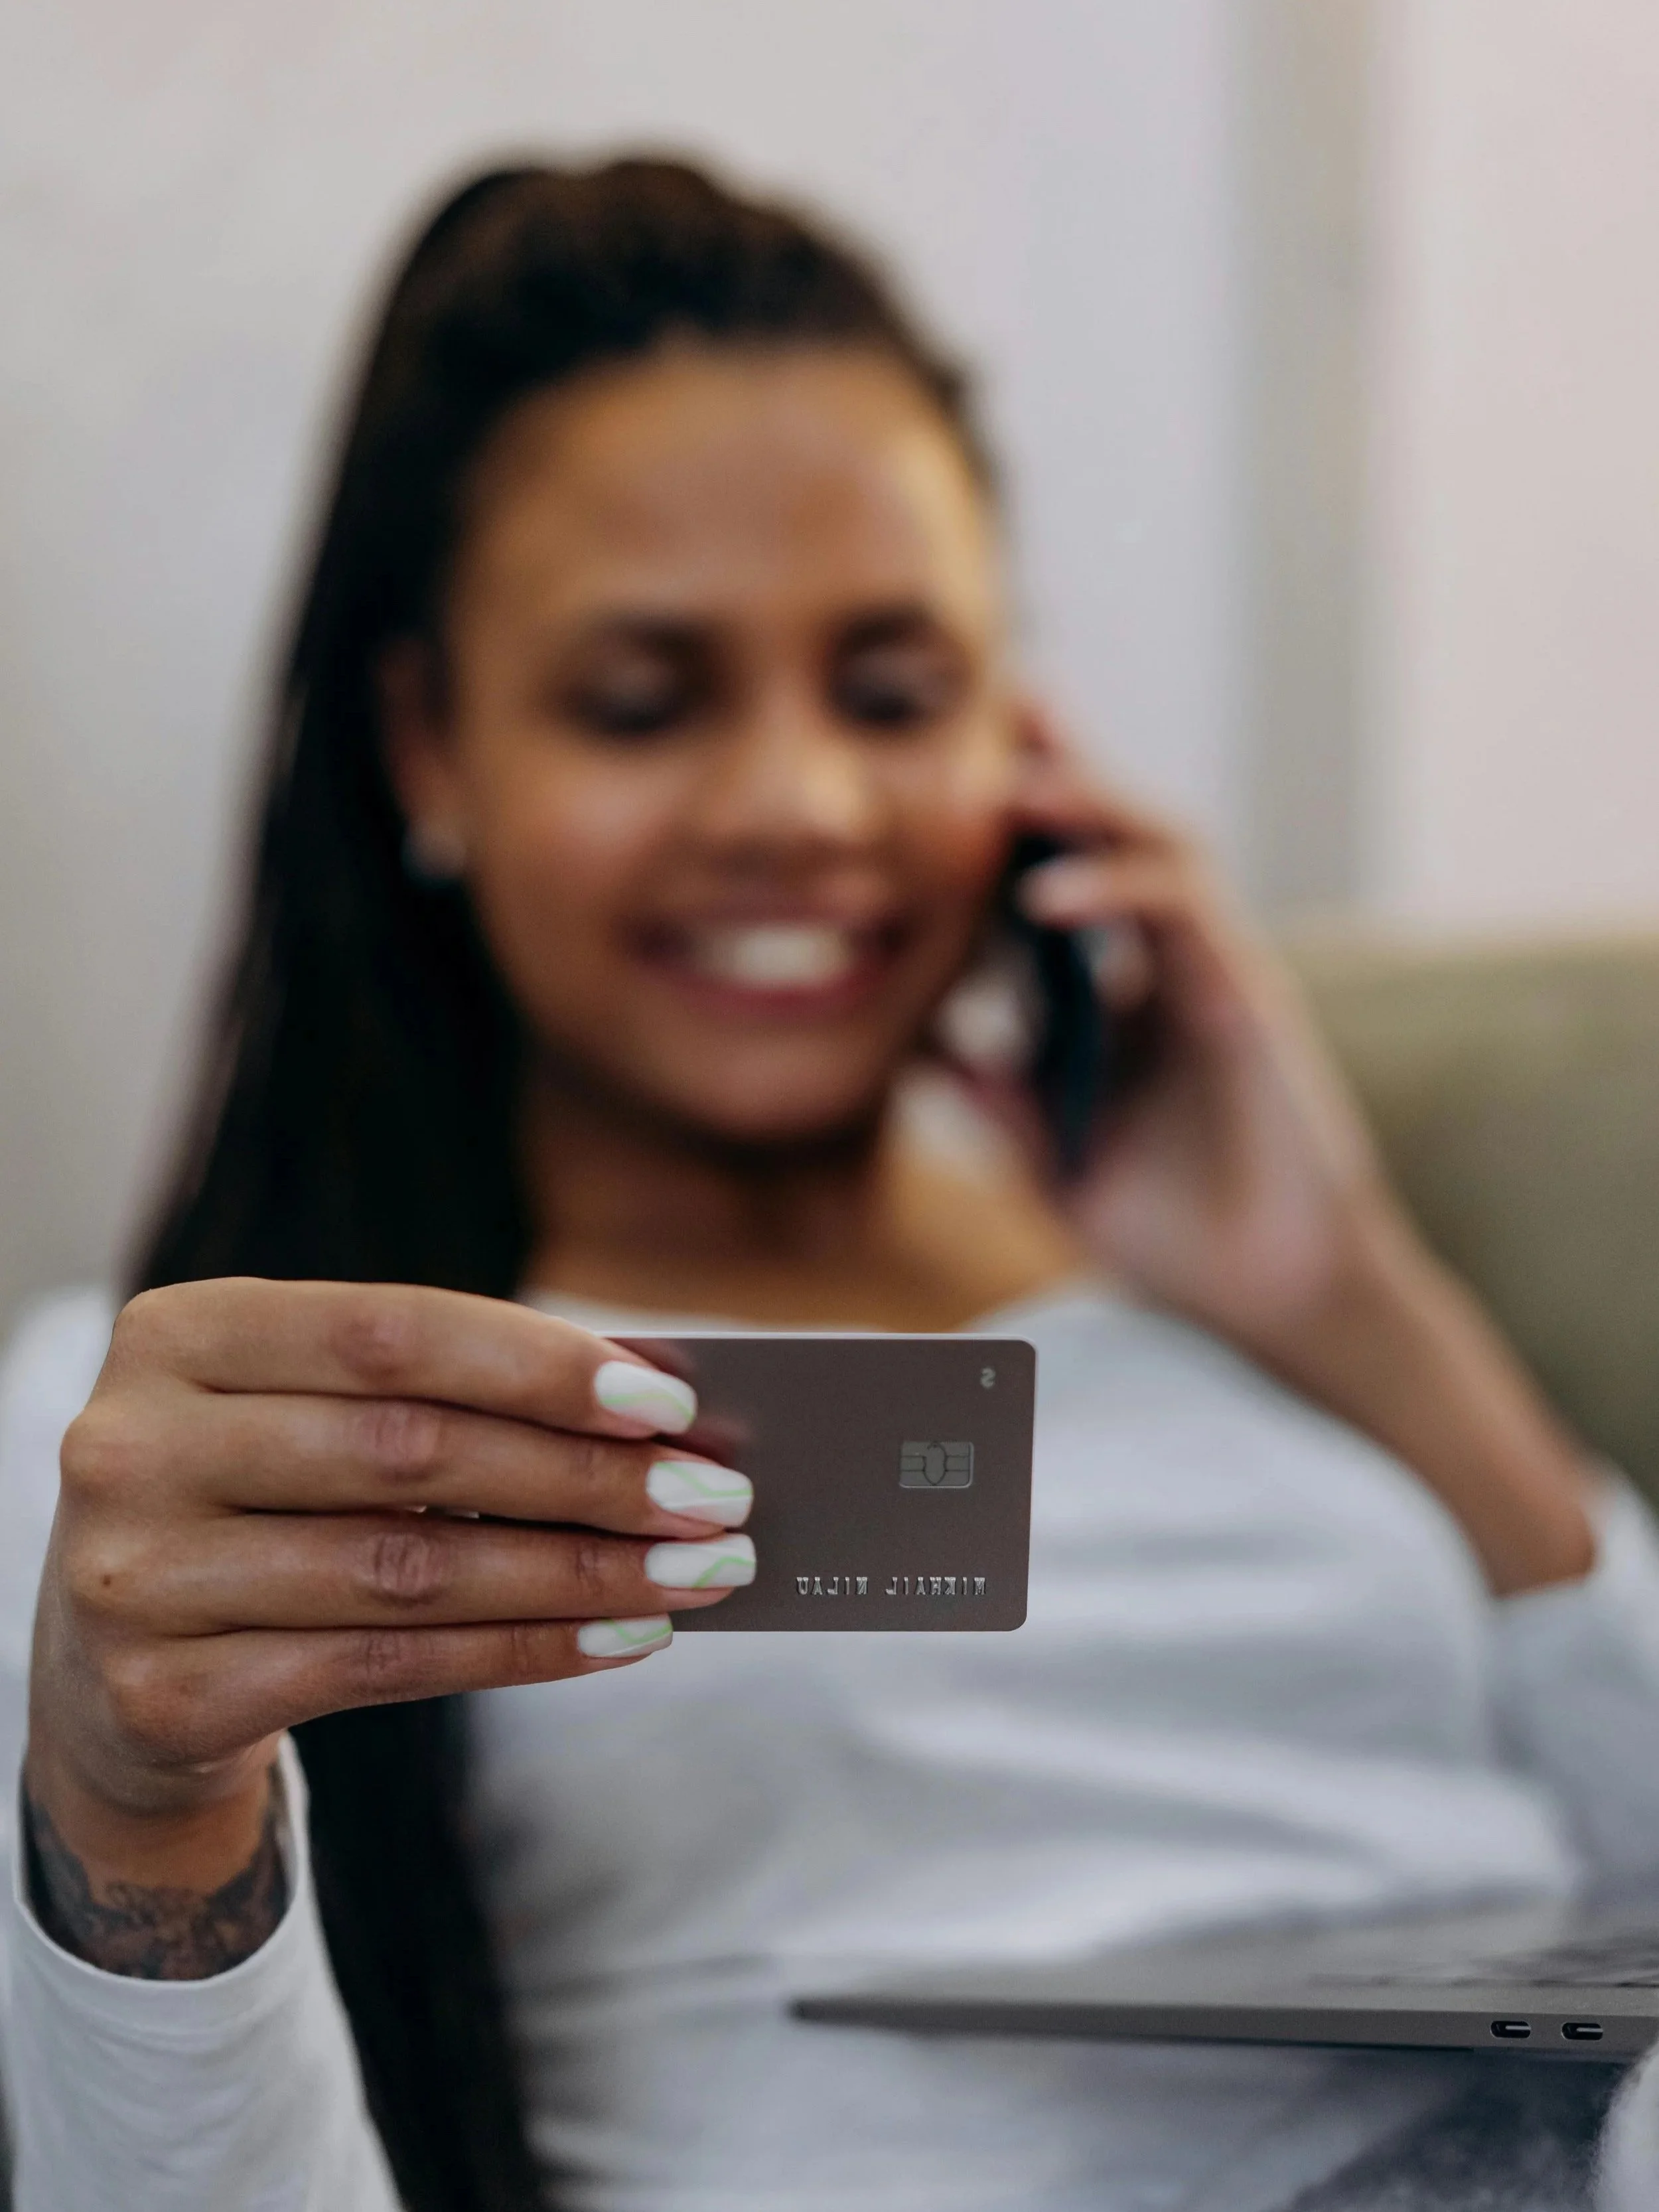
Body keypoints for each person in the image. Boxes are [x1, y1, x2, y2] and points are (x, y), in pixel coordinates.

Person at [3, 159, 1658, 2212]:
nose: (801, 806)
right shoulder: (203, 1445)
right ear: (426, 744)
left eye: (895, 692)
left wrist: (1351, 1295)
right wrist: (133, 1807)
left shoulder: (1248, 1311)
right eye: (643, 700)